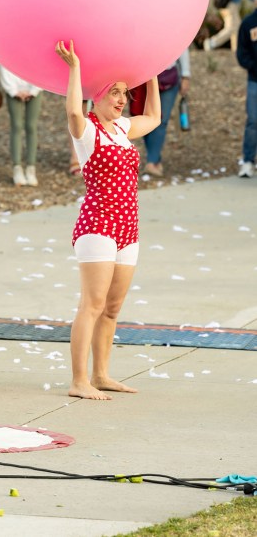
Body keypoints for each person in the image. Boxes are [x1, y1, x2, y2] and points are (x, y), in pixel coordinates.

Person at [56, 39, 161, 400]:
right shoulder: (89, 131)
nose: (121, 99)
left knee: (113, 308)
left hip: (127, 229)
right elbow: (72, 113)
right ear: (97, 98)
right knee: (93, 304)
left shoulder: (121, 130)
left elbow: (156, 118)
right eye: (114, 93)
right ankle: (78, 380)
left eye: (124, 93)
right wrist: (75, 69)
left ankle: (101, 374)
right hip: (98, 226)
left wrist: (151, 75)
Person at [130, 51, 191, 177]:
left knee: (161, 121)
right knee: (144, 118)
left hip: (168, 77)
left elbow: (182, 46)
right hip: (141, 77)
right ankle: (155, 159)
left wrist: (186, 75)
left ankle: (151, 162)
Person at [0, 64, 42, 186]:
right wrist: (13, 90)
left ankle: (31, 168)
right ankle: (17, 168)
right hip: (13, 88)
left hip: (34, 87)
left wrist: (33, 90)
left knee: (31, 126)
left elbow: (40, 64)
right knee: (16, 126)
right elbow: (3, 63)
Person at [236, 6, 257, 178]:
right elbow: (242, 53)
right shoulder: (248, 23)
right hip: (254, 81)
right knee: (253, 122)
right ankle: (248, 161)